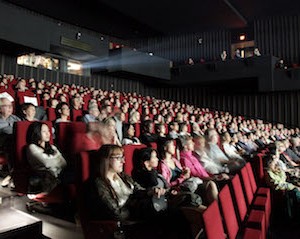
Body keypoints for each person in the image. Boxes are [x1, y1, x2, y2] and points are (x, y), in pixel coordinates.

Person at [26, 121, 67, 194]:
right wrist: (57, 159)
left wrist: (54, 162)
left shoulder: (52, 147)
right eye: (44, 131)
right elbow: (47, 163)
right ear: (37, 132)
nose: (48, 134)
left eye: (48, 131)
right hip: (46, 179)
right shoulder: (32, 147)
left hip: (60, 175)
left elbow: (64, 163)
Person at [0, 97, 21, 187]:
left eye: (11, 106)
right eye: (6, 106)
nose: (10, 108)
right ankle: (13, 174)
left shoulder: (15, 118)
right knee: (11, 143)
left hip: (15, 141)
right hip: (3, 143)